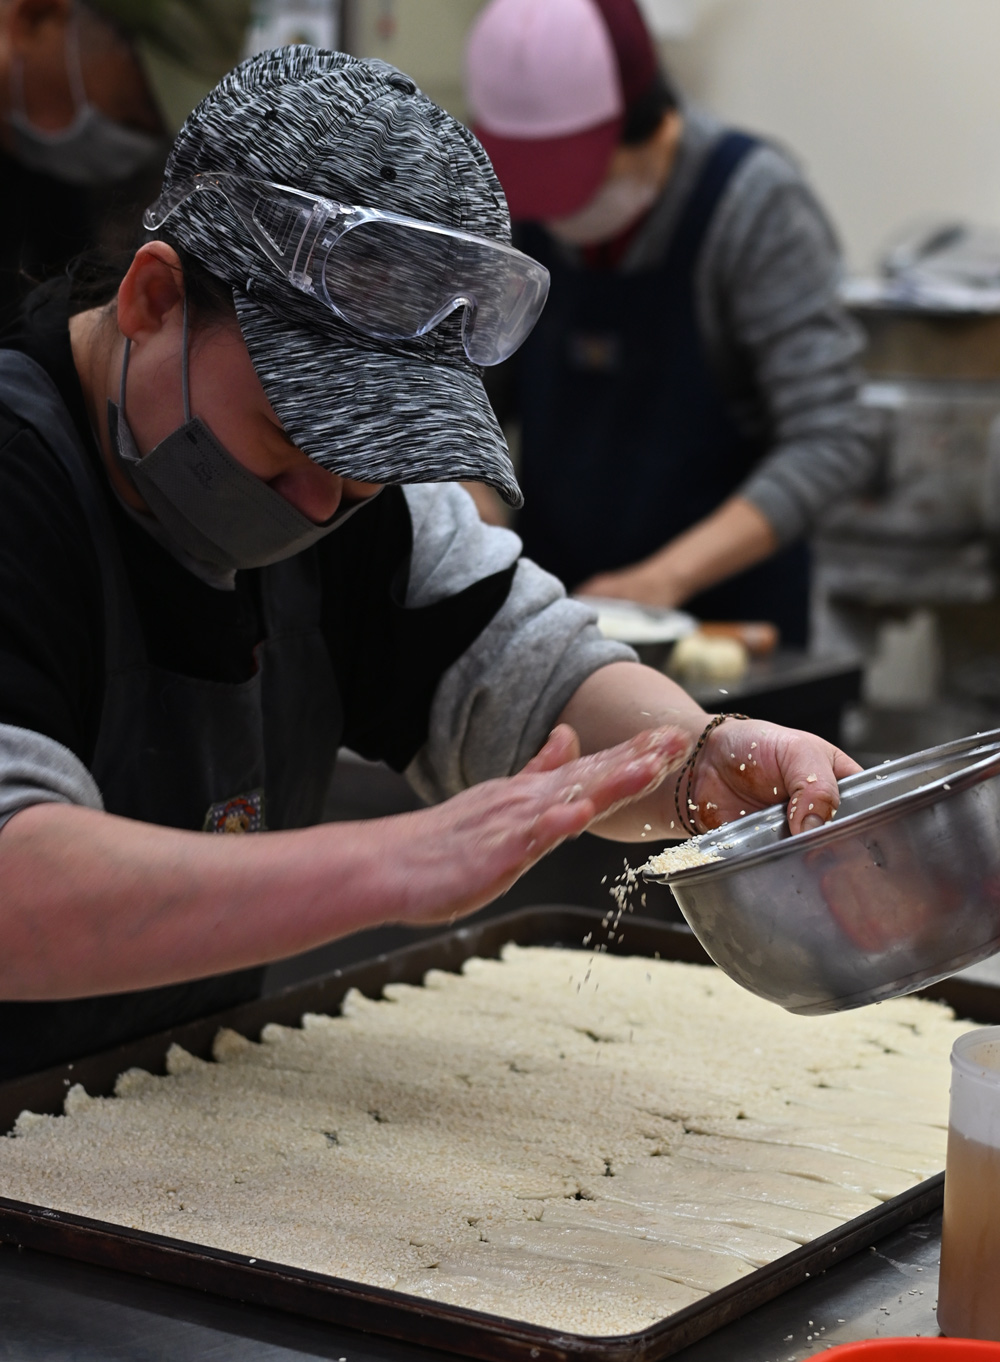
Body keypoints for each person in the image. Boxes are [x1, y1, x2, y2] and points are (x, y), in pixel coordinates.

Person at [0, 46, 857, 1081]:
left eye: (363, 472)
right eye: (285, 443)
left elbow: (530, 674)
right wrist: (394, 862)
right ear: (152, 299)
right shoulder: (20, 483)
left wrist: (697, 760)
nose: (322, 505)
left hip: (162, 1107)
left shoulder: (360, 505)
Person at [464, 0, 879, 645]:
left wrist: (665, 579)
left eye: (577, 185)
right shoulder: (513, 210)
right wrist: (471, 492)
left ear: (658, 130)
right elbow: (467, 391)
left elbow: (834, 436)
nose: (552, 212)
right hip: (557, 620)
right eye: (533, 187)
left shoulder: (752, 205)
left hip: (726, 626)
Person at [0, 0, 250, 324]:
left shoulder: (57, 190)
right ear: (35, 17)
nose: (133, 150)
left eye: (158, 137)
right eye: (131, 117)